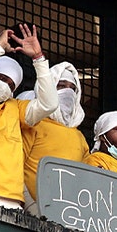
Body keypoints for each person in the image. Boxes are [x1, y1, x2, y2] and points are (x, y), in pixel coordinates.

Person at [0, 24, 58, 208]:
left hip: (13, 199)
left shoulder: (15, 108)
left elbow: (49, 104)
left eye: (10, 84)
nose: (4, 85)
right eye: (0, 77)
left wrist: (39, 59)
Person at [21, 61, 89, 206]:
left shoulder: (79, 137)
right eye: (61, 86)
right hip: (32, 212)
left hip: (69, 215)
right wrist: (29, 205)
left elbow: (86, 181)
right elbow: (14, 166)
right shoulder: (33, 124)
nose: (68, 92)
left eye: (73, 89)